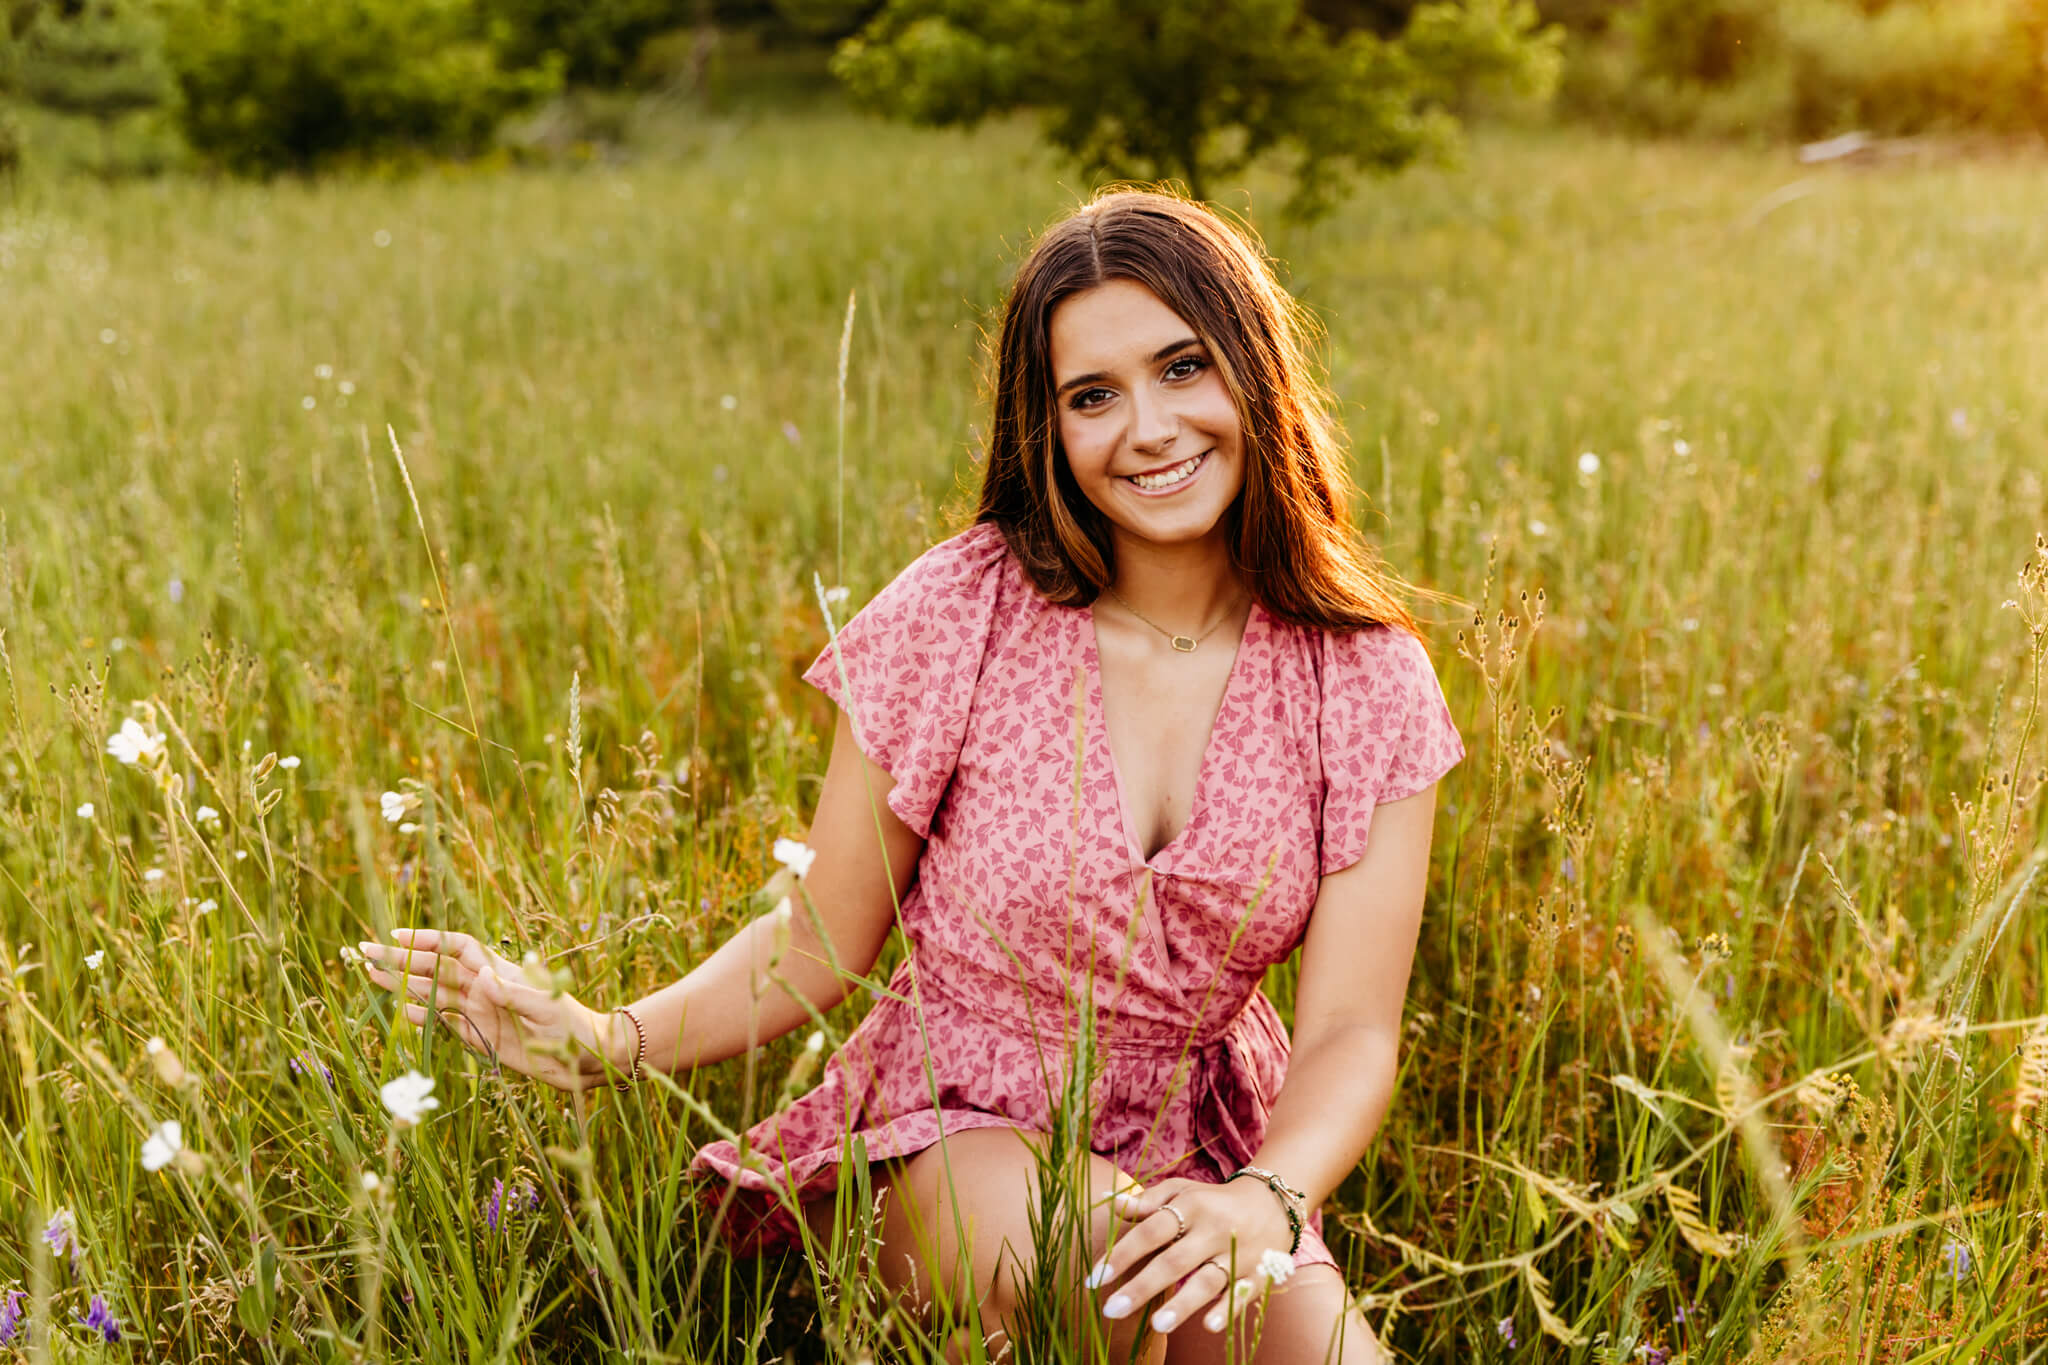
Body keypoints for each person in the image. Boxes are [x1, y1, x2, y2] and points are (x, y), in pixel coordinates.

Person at [358, 187, 1463, 1363]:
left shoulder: (1364, 675)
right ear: (1046, 428)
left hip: (1211, 1163)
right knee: (1112, 1290)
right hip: (952, 1128)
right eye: (1092, 396)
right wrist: (605, 1039)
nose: (1147, 428)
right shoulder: (964, 609)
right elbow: (820, 938)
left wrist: (1264, 1201)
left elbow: (1350, 1030)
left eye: (1182, 367)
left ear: (1253, 369)